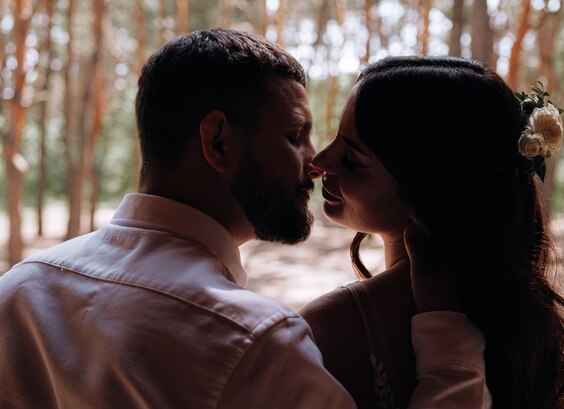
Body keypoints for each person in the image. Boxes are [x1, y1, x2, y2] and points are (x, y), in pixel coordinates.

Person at [0, 30, 491, 408]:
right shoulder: (254, 343)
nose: (315, 161)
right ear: (218, 142)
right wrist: (451, 357)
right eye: (296, 135)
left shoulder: (19, 291)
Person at [301, 55, 564, 409]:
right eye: (335, 139)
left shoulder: (326, 329)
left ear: (430, 190)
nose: (319, 161)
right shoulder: (523, 316)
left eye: (352, 158)